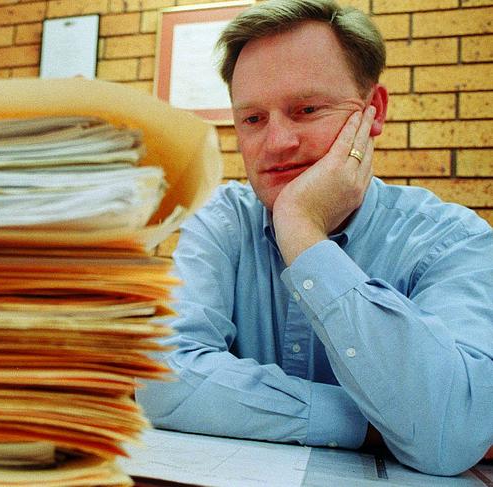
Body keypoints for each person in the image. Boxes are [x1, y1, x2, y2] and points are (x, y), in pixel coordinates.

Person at [136, 0, 493, 477]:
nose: (277, 143)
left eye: (307, 109)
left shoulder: (452, 240)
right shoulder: (221, 222)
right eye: (253, 119)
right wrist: (370, 423)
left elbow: (450, 432)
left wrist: (302, 230)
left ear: (374, 112)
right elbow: (161, 379)